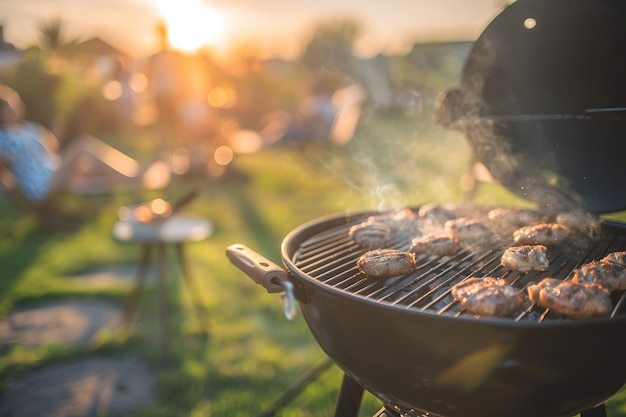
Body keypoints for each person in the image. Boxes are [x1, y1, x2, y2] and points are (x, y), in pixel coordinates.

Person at [0, 84, 171, 207]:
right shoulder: (3, 138)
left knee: (94, 170)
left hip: (55, 169)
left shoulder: (30, 128)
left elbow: (53, 148)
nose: (17, 108)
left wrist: (55, 131)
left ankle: (133, 177)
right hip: (42, 185)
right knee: (83, 145)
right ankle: (135, 176)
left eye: (16, 104)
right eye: (11, 106)